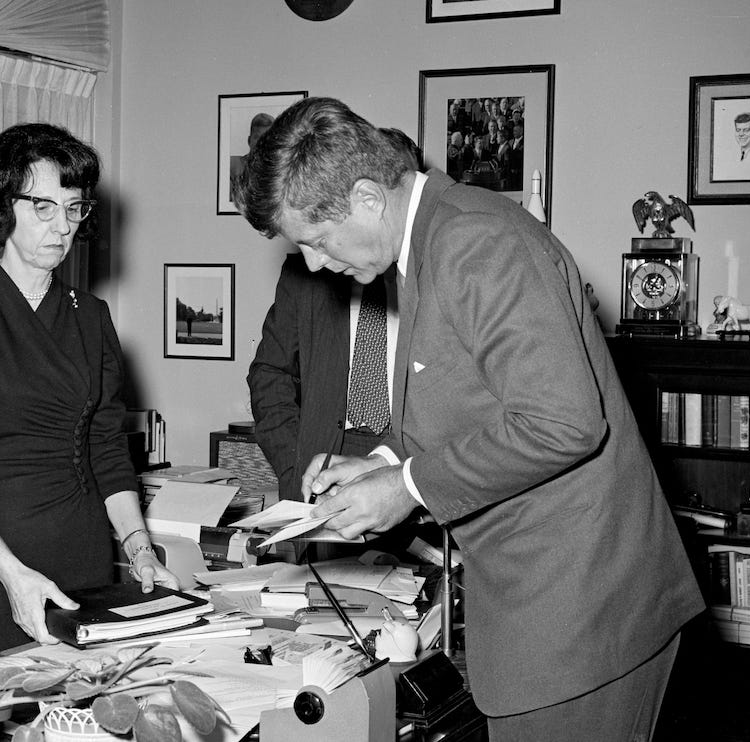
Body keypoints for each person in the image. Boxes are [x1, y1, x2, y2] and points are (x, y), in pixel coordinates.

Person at [231, 96, 704, 741]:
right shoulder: (431, 242)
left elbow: (564, 422)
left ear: (368, 199)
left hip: (583, 614)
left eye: (315, 241)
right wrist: (381, 462)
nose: (314, 265)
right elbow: (466, 397)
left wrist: (407, 486)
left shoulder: (476, 241)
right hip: (546, 605)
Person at [0, 122, 178, 666]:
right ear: (4, 207)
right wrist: (10, 573)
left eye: (73, 209)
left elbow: (107, 448)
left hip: (81, 563)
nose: (61, 227)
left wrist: (140, 548)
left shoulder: (93, 318)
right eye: (43, 207)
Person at [247, 127, 419, 503]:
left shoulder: (433, 272)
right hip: (322, 472)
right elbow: (269, 374)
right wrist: (295, 463)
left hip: (411, 469)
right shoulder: (306, 275)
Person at [229, 112, 275, 200]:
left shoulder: (281, 171)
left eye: (266, 138)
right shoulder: (232, 165)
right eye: (257, 137)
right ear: (249, 140)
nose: (261, 143)